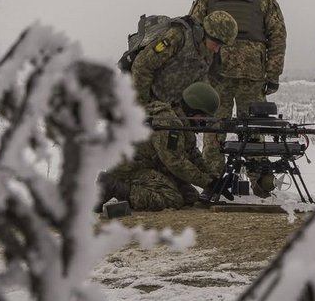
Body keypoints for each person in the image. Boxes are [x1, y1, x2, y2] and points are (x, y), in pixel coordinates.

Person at [188, 0, 287, 195]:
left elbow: (277, 35)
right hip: (216, 76)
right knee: (213, 132)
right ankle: (213, 181)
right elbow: (193, 31)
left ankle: (259, 182)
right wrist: (196, 72)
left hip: (252, 78)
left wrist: (273, 73)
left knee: (253, 131)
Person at [96, 82, 229, 212]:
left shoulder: (183, 123)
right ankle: (113, 185)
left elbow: (192, 154)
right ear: (192, 109)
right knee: (171, 199)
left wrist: (214, 179)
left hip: (148, 165)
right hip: (129, 168)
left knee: (189, 196)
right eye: (203, 116)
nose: (205, 121)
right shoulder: (170, 123)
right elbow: (175, 162)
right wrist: (207, 182)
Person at [131, 11, 238, 106]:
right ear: (206, 34)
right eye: (216, 44)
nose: (216, 50)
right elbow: (142, 66)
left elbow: (201, 81)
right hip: (149, 100)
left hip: (175, 105)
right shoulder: (177, 36)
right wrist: (143, 105)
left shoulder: (207, 52)